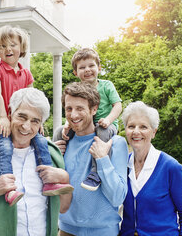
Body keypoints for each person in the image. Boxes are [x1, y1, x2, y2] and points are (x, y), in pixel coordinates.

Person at [0, 87, 73, 236]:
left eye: (35, 121)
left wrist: (64, 178)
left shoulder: (51, 155)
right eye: (22, 117)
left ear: (40, 125)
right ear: (10, 114)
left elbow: (63, 208)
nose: (26, 126)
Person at [0, 25, 71, 206]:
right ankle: (9, 189)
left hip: (21, 119)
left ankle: (48, 182)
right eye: (2, 46)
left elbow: (33, 99)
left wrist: (37, 120)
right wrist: (4, 117)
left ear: (22, 48)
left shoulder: (26, 73)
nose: (8, 49)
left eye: (12, 44)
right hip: (0, 123)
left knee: (41, 143)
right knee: (5, 150)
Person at [54, 82, 128, 235]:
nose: (73, 115)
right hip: (66, 230)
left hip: (103, 232)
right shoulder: (63, 143)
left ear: (94, 109)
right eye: (69, 109)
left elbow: (117, 198)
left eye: (80, 108)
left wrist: (102, 159)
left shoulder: (115, 143)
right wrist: (52, 157)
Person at [120, 101, 182, 236]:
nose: (136, 131)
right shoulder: (122, 164)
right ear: (126, 130)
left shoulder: (170, 167)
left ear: (153, 132)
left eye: (143, 127)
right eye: (131, 126)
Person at [54, 48, 122, 191]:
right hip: (84, 124)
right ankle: (56, 165)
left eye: (91, 66)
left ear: (99, 67)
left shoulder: (106, 85)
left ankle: (95, 173)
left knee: (101, 132)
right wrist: (67, 124)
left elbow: (118, 106)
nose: (87, 70)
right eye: (82, 67)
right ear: (75, 72)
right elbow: (72, 110)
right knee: (60, 131)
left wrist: (108, 120)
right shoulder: (76, 90)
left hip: (106, 124)